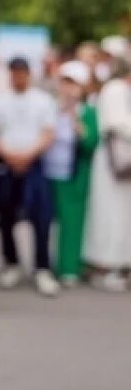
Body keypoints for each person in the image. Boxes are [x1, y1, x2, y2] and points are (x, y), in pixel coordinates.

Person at [0, 57, 59, 296]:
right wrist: (9, 155)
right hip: (6, 163)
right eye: (14, 73)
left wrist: (28, 155)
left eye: (21, 73)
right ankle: (11, 262)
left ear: (29, 74)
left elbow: (48, 132)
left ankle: (42, 267)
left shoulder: (43, 100)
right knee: (6, 214)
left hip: (34, 162)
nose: (17, 77)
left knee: (41, 215)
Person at [46, 60, 98, 287]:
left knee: (71, 221)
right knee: (45, 220)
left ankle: (69, 267)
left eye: (73, 84)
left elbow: (91, 142)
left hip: (74, 174)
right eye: (65, 83)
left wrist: (77, 123)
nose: (68, 89)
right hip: (49, 171)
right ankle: (44, 264)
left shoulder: (88, 112)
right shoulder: (50, 107)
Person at [83, 59, 131, 291]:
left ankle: (121, 265)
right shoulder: (115, 89)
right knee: (110, 215)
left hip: (124, 163)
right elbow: (118, 123)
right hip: (113, 162)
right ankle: (107, 266)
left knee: (123, 216)